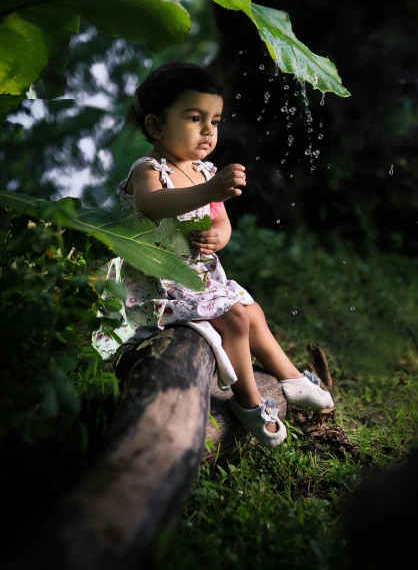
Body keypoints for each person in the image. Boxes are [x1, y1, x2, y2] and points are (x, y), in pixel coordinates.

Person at [94, 61, 333, 447]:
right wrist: (208, 193)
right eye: (194, 118)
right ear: (156, 126)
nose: (208, 131)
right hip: (160, 283)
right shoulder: (149, 170)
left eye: (216, 120)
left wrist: (219, 236)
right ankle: (249, 401)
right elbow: (153, 205)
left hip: (198, 277)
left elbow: (221, 221)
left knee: (252, 311)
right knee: (236, 318)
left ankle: (290, 378)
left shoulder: (205, 172)